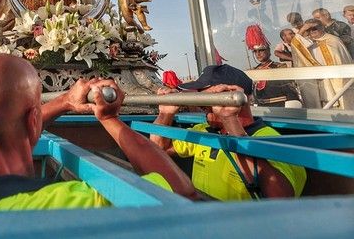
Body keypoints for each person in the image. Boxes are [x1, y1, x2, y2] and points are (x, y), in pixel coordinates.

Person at [0, 54, 195, 210]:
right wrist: (109, 119)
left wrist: (65, 101)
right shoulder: (58, 205)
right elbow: (179, 191)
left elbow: (6, 126)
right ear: (32, 118)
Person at [150, 64, 306, 201]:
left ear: (235, 96)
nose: (202, 105)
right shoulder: (205, 131)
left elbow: (282, 199)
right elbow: (158, 150)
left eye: (208, 98)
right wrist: (165, 114)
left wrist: (230, 121)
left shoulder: (269, 139)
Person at [295, 19, 353, 108]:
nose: (312, 31)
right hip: (322, 84)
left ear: (322, 28)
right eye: (309, 29)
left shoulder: (333, 40)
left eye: (314, 28)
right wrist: (302, 30)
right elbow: (296, 45)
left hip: (337, 82)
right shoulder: (308, 44)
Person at [245, 25, 302, 107]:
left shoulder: (279, 67)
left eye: (261, 50)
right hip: (263, 109)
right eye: (255, 51)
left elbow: (290, 92)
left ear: (268, 51)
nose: (258, 54)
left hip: (280, 107)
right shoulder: (254, 71)